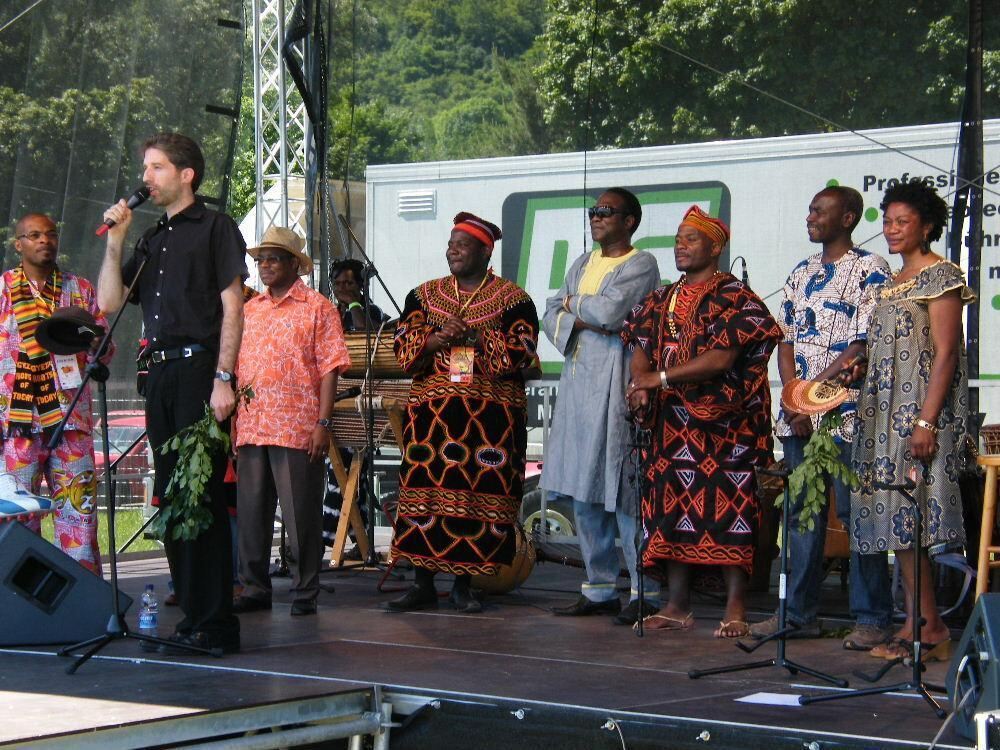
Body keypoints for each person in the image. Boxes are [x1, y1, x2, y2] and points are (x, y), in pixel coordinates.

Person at [98, 132, 246, 654]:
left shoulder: (215, 226)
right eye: (145, 167)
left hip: (198, 369)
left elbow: (233, 305)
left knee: (199, 494)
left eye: (156, 167)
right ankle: (191, 617)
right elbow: (110, 303)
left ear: (186, 174)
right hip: (157, 373)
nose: (146, 177)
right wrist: (117, 240)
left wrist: (224, 378)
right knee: (172, 497)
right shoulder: (154, 238)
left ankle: (215, 623)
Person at [623, 206, 781, 638]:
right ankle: (676, 605)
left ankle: (735, 607)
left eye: (691, 239)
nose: (680, 245)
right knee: (671, 508)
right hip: (672, 426)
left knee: (731, 512)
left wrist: (661, 377)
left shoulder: (736, 296)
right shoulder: (662, 297)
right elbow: (639, 338)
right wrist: (640, 380)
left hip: (725, 427)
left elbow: (723, 357)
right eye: (678, 238)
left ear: (716, 247)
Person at [750, 187, 894, 650]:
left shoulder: (871, 270)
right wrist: (794, 399)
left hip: (847, 412)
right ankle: (796, 614)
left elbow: (861, 346)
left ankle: (871, 617)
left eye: (820, 210)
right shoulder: (801, 271)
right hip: (800, 416)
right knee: (800, 515)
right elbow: (785, 339)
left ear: (848, 217)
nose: (810, 216)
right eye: (810, 209)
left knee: (857, 514)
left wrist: (813, 396)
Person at [385, 212, 538, 613]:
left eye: (462, 244)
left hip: (489, 422)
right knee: (425, 496)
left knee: (475, 496)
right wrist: (435, 339)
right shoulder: (422, 295)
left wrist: (477, 337)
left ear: (485, 252)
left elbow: (521, 354)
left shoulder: (514, 299)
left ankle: (463, 585)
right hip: (433, 420)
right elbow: (404, 353)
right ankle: (420, 582)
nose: (452, 249)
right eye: (450, 243)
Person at [848, 181, 973, 661]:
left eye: (903, 221)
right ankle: (921, 622)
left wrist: (927, 422)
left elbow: (945, 355)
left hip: (918, 416)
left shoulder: (940, 275)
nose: (893, 230)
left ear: (925, 224)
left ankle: (928, 625)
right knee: (897, 522)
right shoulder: (889, 284)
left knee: (916, 518)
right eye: (888, 221)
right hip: (881, 417)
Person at [541, 188, 662, 626]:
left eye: (606, 212)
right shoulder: (583, 262)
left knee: (624, 489)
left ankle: (644, 590)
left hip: (616, 383)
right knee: (584, 487)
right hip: (577, 388)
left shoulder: (641, 264)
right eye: (594, 211)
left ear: (630, 221)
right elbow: (550, 310)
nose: (596, 217)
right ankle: (599, 588)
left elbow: (613, 314)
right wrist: (579, 309)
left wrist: (576, 307)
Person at [234, 227, 349, 616]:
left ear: (292, 264)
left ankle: (304, 591)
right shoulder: (250, 309)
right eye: (259, 259)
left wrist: (324, 422)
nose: (263, 266)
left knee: (300, 514)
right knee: (252, 513)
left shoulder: (318, 307)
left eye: (272, 258)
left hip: (297, 425)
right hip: (252, 424)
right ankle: (254, 588)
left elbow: (331, 368)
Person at [0, 212, 112, 574]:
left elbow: (105, 350)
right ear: (18, 245)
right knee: (16, 519)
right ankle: (18, 607)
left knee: (79, 517)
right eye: (34, 235)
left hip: (70, 419)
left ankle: (84, 608)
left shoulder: (80, 289)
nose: (44, 241)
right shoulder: (2, 290)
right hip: (17, 425)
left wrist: (96, 342)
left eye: (50, 234)